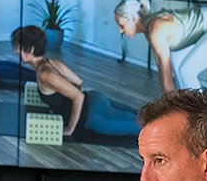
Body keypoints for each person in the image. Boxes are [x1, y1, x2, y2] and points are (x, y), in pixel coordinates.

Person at [9, 25, 140, 144]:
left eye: (17, 46)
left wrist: (71, 128)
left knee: (148, 128)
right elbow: (78, 82)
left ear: (30, 49)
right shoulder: (50, 62)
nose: (15, 50)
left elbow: (78, 97)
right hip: (96, 99)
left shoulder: (45, 74)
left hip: (95, 116)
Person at [114, 0, 207, 93]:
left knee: (186, 70)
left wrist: (169, 107)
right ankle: (189, 116)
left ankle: (203, 121)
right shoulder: (149, 31)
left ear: (132, 18)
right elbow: (162, 68)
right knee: (179, 67)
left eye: (121, 25)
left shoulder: (154, 29)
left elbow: (165, 69)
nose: (120, 30)